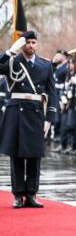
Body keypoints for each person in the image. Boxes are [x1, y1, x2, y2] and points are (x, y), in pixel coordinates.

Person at [0, 31, 58, 208]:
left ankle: (31, 194)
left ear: (37, 44)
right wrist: (10, 51)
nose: (30, 45)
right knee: (16, 156)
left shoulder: (45, 65)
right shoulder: (12, 61)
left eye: (33, 42)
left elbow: (52, 93)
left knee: (34, 156)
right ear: (22, 44)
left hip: (35, 113)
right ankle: (18, 195)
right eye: (27, 42)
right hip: (16, 111)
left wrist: (50, 118)